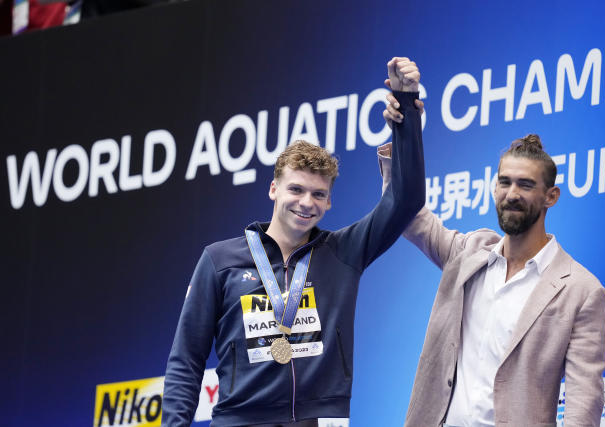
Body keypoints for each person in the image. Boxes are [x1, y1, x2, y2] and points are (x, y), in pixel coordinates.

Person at [161, 57, 425, 426]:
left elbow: (407, 200)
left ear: (330, 201)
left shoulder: (343, 252)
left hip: (321, 419)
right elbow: (186, 360)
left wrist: (408, 109)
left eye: (318, 194)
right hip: (241, 419)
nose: (306, 203)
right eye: (296, 189)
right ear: (273, 189)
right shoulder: (219, 260)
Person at [379, 102, 605, 426]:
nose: (511, 193)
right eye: (504, 182)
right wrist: (403, 135)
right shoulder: (469, 252)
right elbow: (407, 214)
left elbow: (583, 405)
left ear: (551, 196)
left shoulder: (581, 290)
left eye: (525, 185)